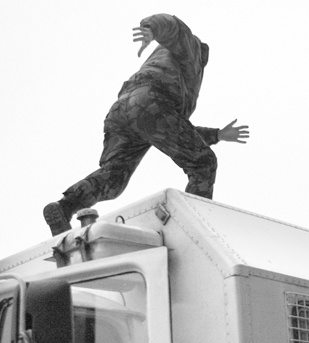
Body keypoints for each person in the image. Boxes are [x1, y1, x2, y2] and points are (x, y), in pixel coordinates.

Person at [43, 14, 249, 236]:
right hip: (151, 103)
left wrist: (218, 134)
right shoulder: (190, 52)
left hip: (123, 110)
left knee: (114, 177)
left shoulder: (158, 63)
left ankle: (65, 207)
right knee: (203, 163)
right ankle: (194, 228)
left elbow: (175, 127)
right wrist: (153, 28)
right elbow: (176, 29)